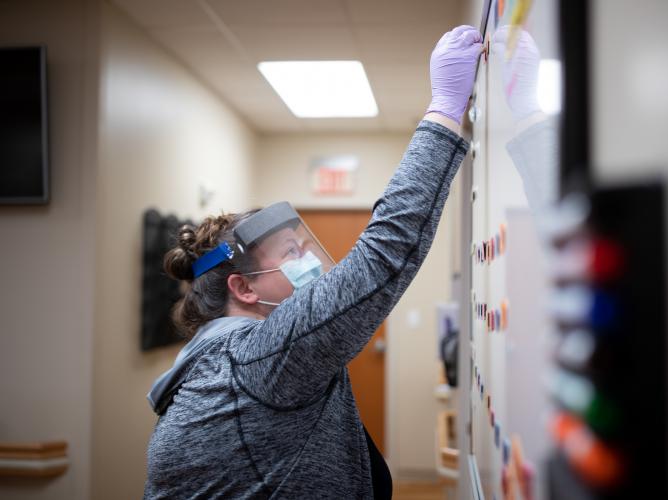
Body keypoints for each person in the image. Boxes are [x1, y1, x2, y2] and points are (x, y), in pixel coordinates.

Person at [143, 25, 483, 499]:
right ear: (244, 288)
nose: (308, 260)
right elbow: (383, 253)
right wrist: (444, 112)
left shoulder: (229, 358)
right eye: (290, 253)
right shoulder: (255, 356)